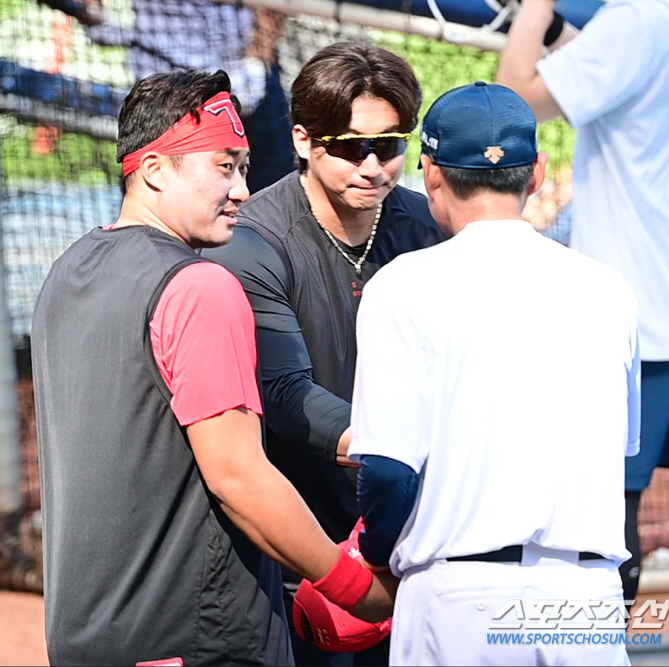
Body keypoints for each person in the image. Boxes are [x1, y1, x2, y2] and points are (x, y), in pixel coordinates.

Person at [31, 67, 395, 667]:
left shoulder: (69, 269)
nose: (242, 190)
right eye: (223, 166)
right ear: (153, 171)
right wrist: (357, 588)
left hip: (83, 635)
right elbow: (239, 479)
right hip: (195, 641)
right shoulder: (201, 285)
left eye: (244, 168)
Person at [347, 81, 640, 666]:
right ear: (536, 174)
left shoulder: (402, 286)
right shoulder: (610, 290)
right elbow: (620, 450)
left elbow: (385, 471)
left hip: (461, 602)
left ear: (430, 173)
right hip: (584, 602)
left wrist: (375, 559)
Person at [204, 41, 446, 666]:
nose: (372, 166)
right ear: (306, 141)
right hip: (297, 547)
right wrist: (399, 445)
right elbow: (283, 397)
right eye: (350, 147)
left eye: (389, 146)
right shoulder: (252, 238)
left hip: (407, 533)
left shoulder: (424, 228)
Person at [496, 0, 669, 605]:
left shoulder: (633, 22)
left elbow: (512, 99)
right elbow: (616, 66)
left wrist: (534, 7)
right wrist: (561, 31)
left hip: (638, 316)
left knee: (610, 513)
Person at [86, 0, 295, 194]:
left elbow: (273, 9)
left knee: (271, 196)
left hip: (242, 84)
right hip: (163, 89)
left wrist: (256, 64)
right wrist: (93, 16)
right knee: (159, 200)